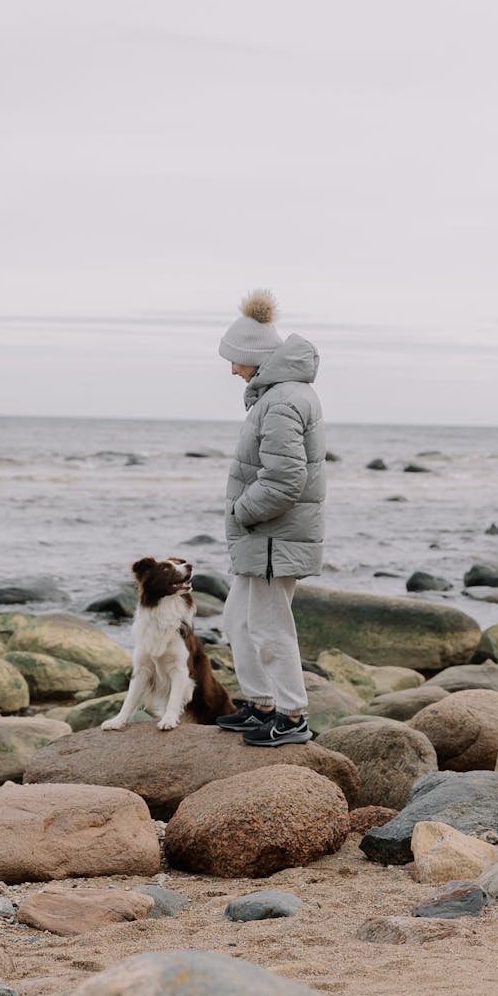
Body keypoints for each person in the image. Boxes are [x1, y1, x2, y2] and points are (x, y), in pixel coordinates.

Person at [215, 290, 326, 746]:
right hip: (264, 537)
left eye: (236, 360)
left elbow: (285, 479)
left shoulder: (281, 401)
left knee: (269, 627)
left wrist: (243, 511)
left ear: (255, 358)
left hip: (272, 537)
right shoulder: (277, 396)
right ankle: (261, 704)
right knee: (237, 619)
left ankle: (292, 716)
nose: (232, 369)